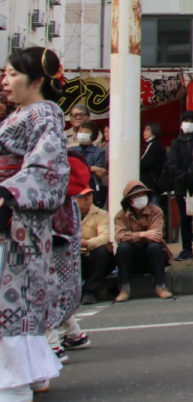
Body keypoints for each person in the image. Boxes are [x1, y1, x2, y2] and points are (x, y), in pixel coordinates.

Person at [1, 46, 70, 401]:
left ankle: (13, 384)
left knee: (12, 301)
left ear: (37, 80)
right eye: (5, 73)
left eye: (13, 74)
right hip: (12, 212)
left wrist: (11, 194)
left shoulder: (45, 112)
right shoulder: (19, 115)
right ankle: (33, 374)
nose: (5, 80)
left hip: (18, 218)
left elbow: (49, 166)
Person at [45, 150, 89, 362]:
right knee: (64, 283)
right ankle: (74, 334)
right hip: (66, 229)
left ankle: (52, 344)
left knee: (44, 287)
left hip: (49, 228)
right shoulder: (70, 197)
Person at [113, 180, 173, 302]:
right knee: (123, 248)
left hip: (151, 255)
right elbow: (120, 236)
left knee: (155, 246)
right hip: (131, 256)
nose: (141, 198)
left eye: (142, 195)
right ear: (129, 200)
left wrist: (135, 236)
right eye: (137, 196)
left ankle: (160, 286)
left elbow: (156, 234)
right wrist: (143, 234)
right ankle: (124, 288)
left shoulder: (156, 211)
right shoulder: (120, 216)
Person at [167, 111, 193, 260]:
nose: (188, 123)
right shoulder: (176, 143)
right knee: (184, 219)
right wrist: (183, 177)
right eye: (186, 120)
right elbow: (171, 164)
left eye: (192, 121)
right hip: (181, 186)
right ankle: (186, 249)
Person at [76, 189, 113, 306]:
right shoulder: (66, 216)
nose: (87, 199)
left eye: (89, 195)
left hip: (94, 257)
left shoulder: (102, 214)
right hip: (76, 257)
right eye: (82, 196)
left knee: (101, 251)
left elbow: (105, 236)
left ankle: (90, 291)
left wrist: (86, 243)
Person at [74, 121, 108, 205]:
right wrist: (91, 168)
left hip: (91, 190)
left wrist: (82, 169)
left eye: (86, 131)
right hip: (74, 189)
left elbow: (100, 173)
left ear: (93, 135)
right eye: (80, 131)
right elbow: (71, 169)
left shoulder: (99, 152)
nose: (82, 133)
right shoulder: (71, 151)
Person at [139, 122, 168, 208]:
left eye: (147, 130)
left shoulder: (154, 145)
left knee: (153, 207)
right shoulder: (149, 145)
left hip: (152, 184)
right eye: (144, 130)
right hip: (149, 184)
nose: (144, 132)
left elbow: (147, 163)